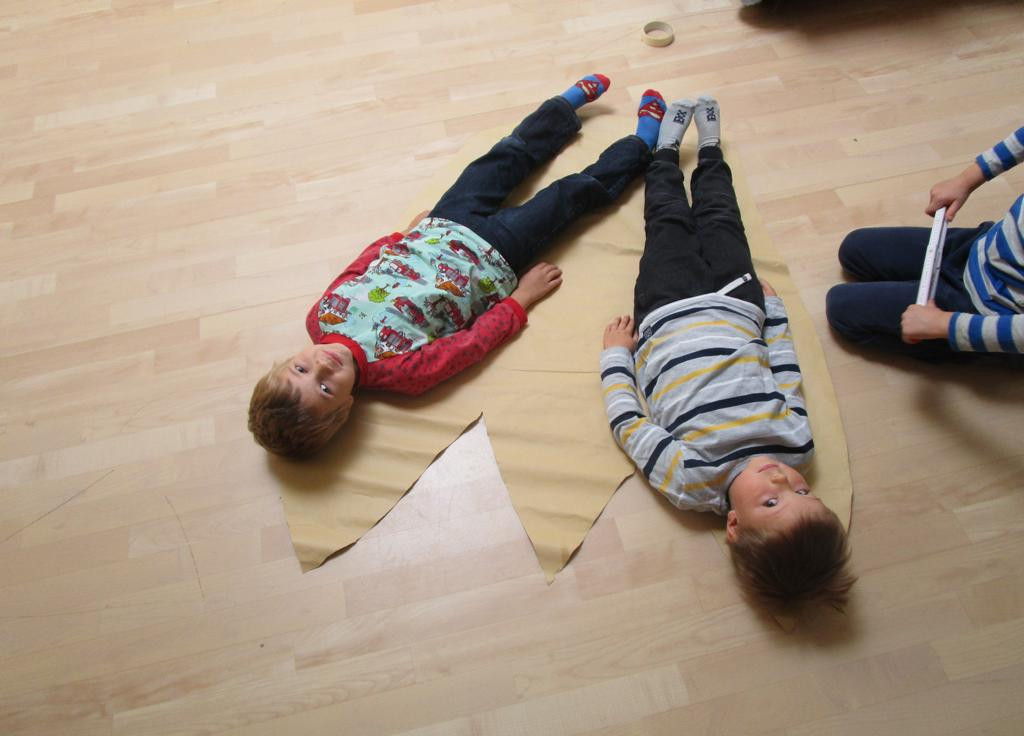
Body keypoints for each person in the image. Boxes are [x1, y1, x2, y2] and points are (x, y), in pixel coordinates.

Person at [249, 76, 668, 458]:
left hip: (442, 223)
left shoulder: (320, 317)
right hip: (495, 256)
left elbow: (357, 270)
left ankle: (563, 107)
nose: (322, 366)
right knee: (571, 194)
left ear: (287, 360)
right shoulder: (400, 375)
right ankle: (640, 146)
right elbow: (470, 345)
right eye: (325, 388)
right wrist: (521, 299)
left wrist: (400, 237)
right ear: (345, 408)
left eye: (301, 368)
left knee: (507, 155)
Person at [600, 96, 853, 611]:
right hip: (739, 304)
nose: (785, 480)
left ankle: (665, 153)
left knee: (667, 221)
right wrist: (774, 315)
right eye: (804, 493)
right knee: (721, 218)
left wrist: (616, 358)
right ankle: (711, 149)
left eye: (773, 501)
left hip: (666, 310)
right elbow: (785, 373)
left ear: (734, 524)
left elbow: (630, 424)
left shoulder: (692, 483)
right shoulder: (796, 448)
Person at [826, 126, 1024, 358]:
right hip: (982, 247)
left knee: (840, 308)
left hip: (988, 310)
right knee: (854, 249)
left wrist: (943, 325)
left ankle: (991, 355)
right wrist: (967, 179)